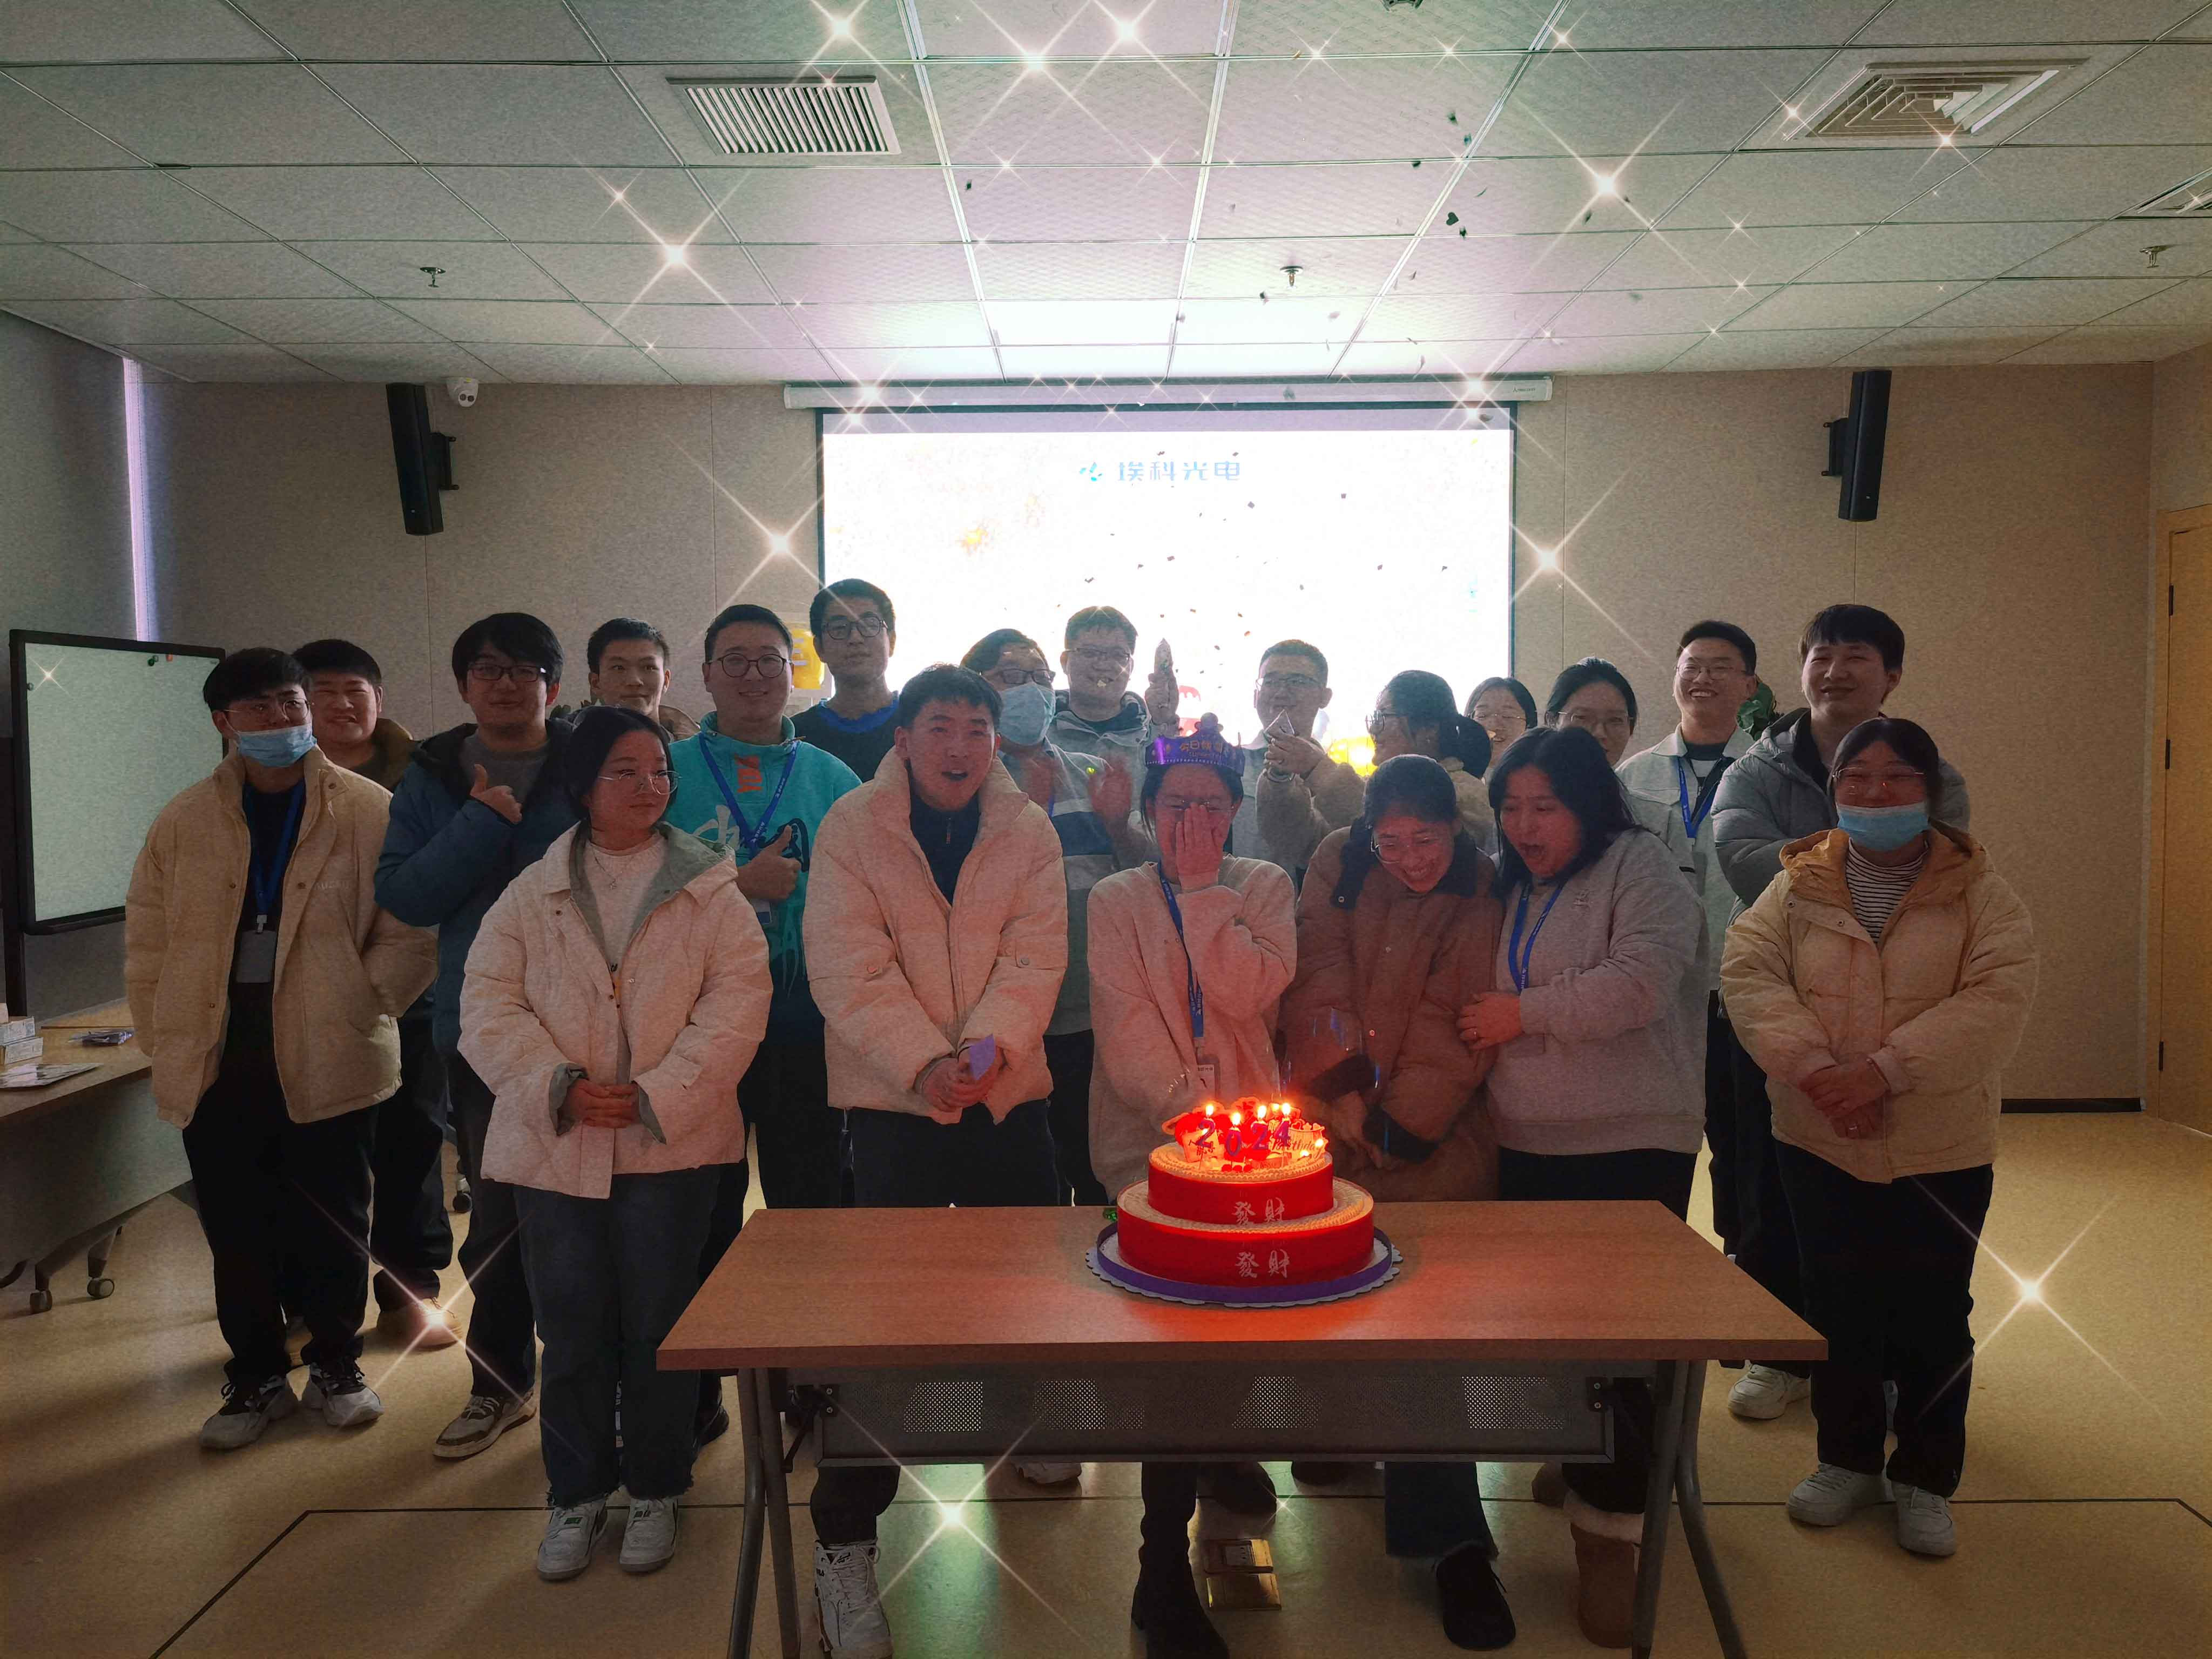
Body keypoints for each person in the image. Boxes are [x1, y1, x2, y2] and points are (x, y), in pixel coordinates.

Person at [461, 706, 771, 1581]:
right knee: (571, 1328)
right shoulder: (533, 890)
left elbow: (738, 1005)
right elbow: (487, 1002)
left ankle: (659, 1485)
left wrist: (656, 1093)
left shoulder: (709, 888)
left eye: (659, 771)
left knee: (661, 1327)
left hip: (671, 1145)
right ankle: (576, 1493)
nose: (649, 786)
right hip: (556, 1144)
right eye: (625, 771)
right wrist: (555, 1085)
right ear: (583, 784)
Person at [800, 664, 1068, 1657]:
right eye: (942, 727)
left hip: (1005, 1097)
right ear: (904, 738)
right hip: (894, 1105)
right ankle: (845, 1539)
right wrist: (923, 1064)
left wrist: (986, 1052)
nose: (961, 747)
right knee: (887, 1323)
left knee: (1027, 1287)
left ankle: (1025, 1433)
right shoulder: (852, 827)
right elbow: (846, 964)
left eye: (978, 729)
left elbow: (1035, 957)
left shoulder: (1026, 827)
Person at [1722, 719, 2033, 1561]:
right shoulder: (1797, 883)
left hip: (1940, 1143)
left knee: (1935, 1311)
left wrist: (1883, 1074)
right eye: (1857, 777)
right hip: (1817, 1133)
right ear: (1835, 791)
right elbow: (1750, 974)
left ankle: (1926, 1476)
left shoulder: (1980, 891)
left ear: (1931, 792)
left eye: (1897, 778)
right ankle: (1847, 1460)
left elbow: (1996, 1000)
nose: (1875, 792)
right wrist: (1820, 1072)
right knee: (1838, 1301)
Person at [126, 650, 435, 1449]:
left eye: (291, 703)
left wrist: (364, 1000)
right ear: (224, 723)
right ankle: (257, 1376)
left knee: (337, 1218)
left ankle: (337, 1365)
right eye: (260, 708)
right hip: (219, 1049)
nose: (283, 719)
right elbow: (149, 938)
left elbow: (411, 926)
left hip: (332, 1041)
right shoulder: (184, 819)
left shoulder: (367, 808)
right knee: (236, 1227)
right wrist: (164, 1033)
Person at [1460, 726, 1704, 1649]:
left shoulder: (1641, 866)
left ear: (1589, 804)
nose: (1525, 826)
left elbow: (1640, 984)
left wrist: (1523, 1014)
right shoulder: (1510, 880)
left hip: (1628, 1141)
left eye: (1546, 807)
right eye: (1511, 808)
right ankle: (1580, 1458)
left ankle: (1612, 1542)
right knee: (1552, 1332)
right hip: (1527, 1139)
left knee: (1624, 1350)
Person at [1708, 605, 1973, 1422]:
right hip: (1778, 1013)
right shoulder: (1755, 769)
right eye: (1821, 655)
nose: (1836, 670)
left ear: (1891, 676)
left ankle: (1879, 1359)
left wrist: (1821, 866)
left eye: (1857, 656)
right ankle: (1780, 1352)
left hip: (1893, 1013)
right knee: (1769, 1192)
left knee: (1887, 1198)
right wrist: (1866, 852)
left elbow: (1939, 871)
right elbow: (1741, 859)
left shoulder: (1934, 771)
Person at [1280, 754, 1514, 1653]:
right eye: (1393, 842)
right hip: (1331, 1124)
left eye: (1428, 839)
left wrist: (1395, 1126)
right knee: (1330, 1305)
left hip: (1434, 1144)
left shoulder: (1480, 882)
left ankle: (1454, 1543)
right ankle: (1342, 1432)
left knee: (1428, 1338)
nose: (1411, 858)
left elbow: (1458, 1019)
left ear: (1455, 830)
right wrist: (1340, 1089)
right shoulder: (1338, 862)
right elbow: (1318, 976)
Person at [1087, 719, 1299, 1659]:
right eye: (1178, 806)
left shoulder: (1265, 886)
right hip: (1147, 1151)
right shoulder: (1116, 897)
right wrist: (1197, 1128)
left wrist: (1208, 894)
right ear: (1148, 810)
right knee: (1168, 1355)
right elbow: (1127, 1031)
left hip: (1253, 1156)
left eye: (1214, 805)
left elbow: (1250, 994)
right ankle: (1157, 1565)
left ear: (1236, 811)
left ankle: (1226, 1450)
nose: (1195, 822)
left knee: (1242, 1327)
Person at [376, 612, 577, 1461]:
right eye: (489, 670)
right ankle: (500, 1383)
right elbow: (408, 896)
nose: (506, 685)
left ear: (553, 687)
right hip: (485, 1032)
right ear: (463, 684)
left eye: (524, 671)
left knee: (594, 1219)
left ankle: (592, 1388)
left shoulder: (587, 760)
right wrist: (481, 821)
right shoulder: (432, 774)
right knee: (498, 1222)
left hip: (593, 1026)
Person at [670, 603, 862, 1441]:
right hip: (694, 1029)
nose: (753, 676)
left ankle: (808, 1380)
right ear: (706, 675)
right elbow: (631, 885)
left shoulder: (832, 777)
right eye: (735, 660)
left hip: (806, 1026)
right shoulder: (666, 770)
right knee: (698, 1210)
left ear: (795, 673)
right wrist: (735, 885)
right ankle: (698, 1389)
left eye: (769, 661)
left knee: (808, 1211)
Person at [293, 638, 454, 1349]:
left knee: (413, 1144)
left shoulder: (427, 778)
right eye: (323, 691)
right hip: (310, 1001)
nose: (341, 704)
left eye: (354, 689)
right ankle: (315, 1301)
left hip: (412, 991)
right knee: (318, 1155)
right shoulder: (276, 784)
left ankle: (410, 1292)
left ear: (379, 700)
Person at [963, 628, 1125, 1212]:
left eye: (1040, 678)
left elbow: (1140, 878)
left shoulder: (1091, 771)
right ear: (978, 688)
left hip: (1088, 1013)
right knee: (1021, 1184)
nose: (1031, 690)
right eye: (1012, 677)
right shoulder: (964, 781)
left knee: (1097, 1168)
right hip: (1000, 1017)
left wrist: (1120, 826)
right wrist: (1019, 814)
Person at [1614, 624, 1758, 1267]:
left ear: (1749, 685)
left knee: (1742, 1154)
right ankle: (1645, 1274)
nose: (1703, 678)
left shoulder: (1766, 774)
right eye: (1692, 665)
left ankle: (1744, 1276)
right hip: (1659, 1000)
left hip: (1738, 996)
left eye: (1720, 667)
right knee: (1650, 1149)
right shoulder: (1633, 775)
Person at [1545, 658, 1698, 886]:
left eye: (1615, 721)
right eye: (1582, 718)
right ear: (1552, 721)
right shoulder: (1522, 809)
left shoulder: (1659, 820)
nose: (1599, 733)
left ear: (1630, 727)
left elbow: (1681, 901)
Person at [1051, 605, 1171, 865]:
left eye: (1118, 655)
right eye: (1090, 652)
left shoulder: (1154, 743)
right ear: (1064, 661)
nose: (1103, 665)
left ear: (1131, 666)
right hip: (1050, 888)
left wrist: (1165, 724)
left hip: (1136, 888)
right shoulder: (1038, 737)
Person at [1243, 639, 1363, 876]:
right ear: (1256, 695)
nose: (1281, 692)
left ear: (1325, 697)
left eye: (1297, 682)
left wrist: (1317, 770)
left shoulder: (1341, 781)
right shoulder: (1228, 767)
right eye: (1271, 681)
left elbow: (1370, 833)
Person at [794, 578, 900, 781]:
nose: (855, 638)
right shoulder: (797, 738)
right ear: (819, 648)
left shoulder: (920, 725)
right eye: (840, 628)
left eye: (869, 625)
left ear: (892, 641)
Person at [554, 618, 700, 739]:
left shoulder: (697, 752)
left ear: (666, 681)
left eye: (648, 667)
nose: (634, 681)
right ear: (596, 683)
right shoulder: (566, 751)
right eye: (619, 668)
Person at [1466, 676, 1536, 766]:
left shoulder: (1543, 772)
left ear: (1529, 725)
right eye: (1482, 715)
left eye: (1507, 716)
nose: (1493, 726)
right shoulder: (1453, 771)